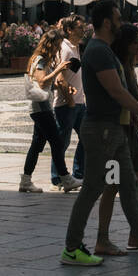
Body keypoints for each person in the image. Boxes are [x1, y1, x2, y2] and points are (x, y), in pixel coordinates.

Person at [61, 0, 138, 266]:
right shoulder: (99, 51)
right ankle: (71, 247)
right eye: (117, 18)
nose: (120, 22)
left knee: (129, 185)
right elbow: (116, 91)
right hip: (102, 129)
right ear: (107, 23)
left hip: (112, 129)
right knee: (93, 187)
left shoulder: (102, 49)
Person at [94, 23, 138, 256]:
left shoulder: (128, 65)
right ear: (126, 44)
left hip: (131, 130)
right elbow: (120, 95)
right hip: (119, 132)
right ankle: (105, 237)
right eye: (136, 41)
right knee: (112, 184)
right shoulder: (116, 65)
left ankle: (135, 234)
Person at [19, 29, 80, 193]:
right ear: (51, 44)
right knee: (56, 142)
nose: (59, 49)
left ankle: (25, 180)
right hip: (41, 107)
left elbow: (46, 83)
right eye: (58, 45)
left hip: (39, 106)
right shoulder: (41, 60)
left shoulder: (39, 59)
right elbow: (41, 82)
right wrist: (58, 70)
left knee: (37, 144)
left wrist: (64, 86)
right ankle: (65, 178)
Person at [51, 14, 88, 189]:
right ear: (69, 30)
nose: (83, 30)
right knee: (62, 142)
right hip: (67, 105)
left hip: (79, 102)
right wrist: (70, 100)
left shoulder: (76, 47)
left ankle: (78, 175)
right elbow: (60, 78)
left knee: (86, 137)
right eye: (80, 27)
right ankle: (57, 179)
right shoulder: (65, 49)